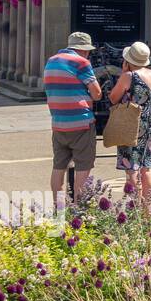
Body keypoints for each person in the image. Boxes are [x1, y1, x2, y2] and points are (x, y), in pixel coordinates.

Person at [43, 32, 102, 210]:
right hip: (81, 123)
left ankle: (59, 210)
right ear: (83, 50)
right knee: (83, 169)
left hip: (58, 123)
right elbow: (97, 94)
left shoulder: (51, 61)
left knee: (58, 167)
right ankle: (78, 211)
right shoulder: (82, 62)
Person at [109, 41, 151, 212]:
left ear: (128, 60)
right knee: (147, 167)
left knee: (132, 167)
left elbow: (113, 98)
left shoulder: (129, 77)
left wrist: (124, 73)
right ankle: (148, 210)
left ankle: (136, 209)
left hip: (132, 123)